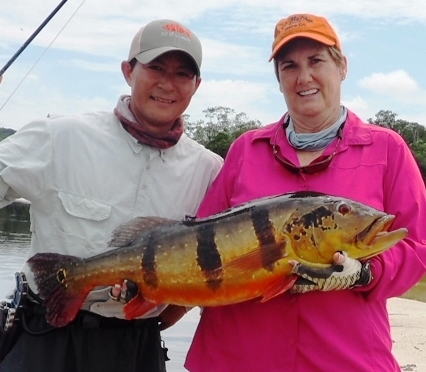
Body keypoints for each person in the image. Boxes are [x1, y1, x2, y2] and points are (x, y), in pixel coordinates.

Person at [185, 13, 426, 372]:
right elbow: (197, 248)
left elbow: (415, 246)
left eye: (316, 61)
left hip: (346, 361)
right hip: (235, 358)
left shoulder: (388, 150)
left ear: (341, 66)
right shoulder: (244, 150)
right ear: (279, 79)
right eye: (289, 66)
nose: (304, 77)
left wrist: (366, 273)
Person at [0, 19, 222, 372]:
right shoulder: (60, 135)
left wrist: (166, 306)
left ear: (196, 85)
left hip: (138, 344)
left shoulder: (210, 170)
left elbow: (213, 268)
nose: (167, 83)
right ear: (128, 71)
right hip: (46, 336)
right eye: (156, 68)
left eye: (182, 74)